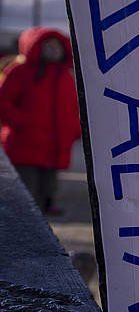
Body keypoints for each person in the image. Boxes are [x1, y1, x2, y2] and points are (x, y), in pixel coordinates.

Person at [0, 27, 81, 215]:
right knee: (26, 186)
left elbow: (72, 108)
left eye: (57, 46)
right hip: (25, 143)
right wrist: (22, 122)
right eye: (48, 45)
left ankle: (46, 206)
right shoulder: (20, 72)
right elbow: (3, 102)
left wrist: (73, 131)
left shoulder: (65, 76)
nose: (53, 50)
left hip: (55, 145)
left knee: (49, 181)